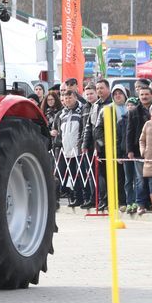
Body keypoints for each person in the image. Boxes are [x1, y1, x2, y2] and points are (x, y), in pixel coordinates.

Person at [82, 79, 112, 211]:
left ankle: (113, 199)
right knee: (100, 174)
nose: (99, 91)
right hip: (98, 145)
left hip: (111, 144)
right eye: (98, 88)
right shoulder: (95, 105)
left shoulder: (112, 103)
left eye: (101, 88)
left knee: (112, 174)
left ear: (108, 88)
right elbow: (90, 126)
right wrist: (85, 143)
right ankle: (103, 199)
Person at [54, 90, 84, 207]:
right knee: (72, 175)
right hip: (66, 149)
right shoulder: (62, 114)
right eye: (65, 98)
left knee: (80, 174)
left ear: (75, 97)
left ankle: (83, 197)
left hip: (78, 149)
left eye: (70, 98)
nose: (67, 100)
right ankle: (75, 197)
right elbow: (60, 132)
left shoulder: (81, 111)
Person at [126, 84, 152, 213]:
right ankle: (141, 203)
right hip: (138, 150)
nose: (144, 97)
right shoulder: (133, 112)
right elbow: (129, 132)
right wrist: (129, 150)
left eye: (147, 94)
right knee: (140, 179)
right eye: (142, 95)